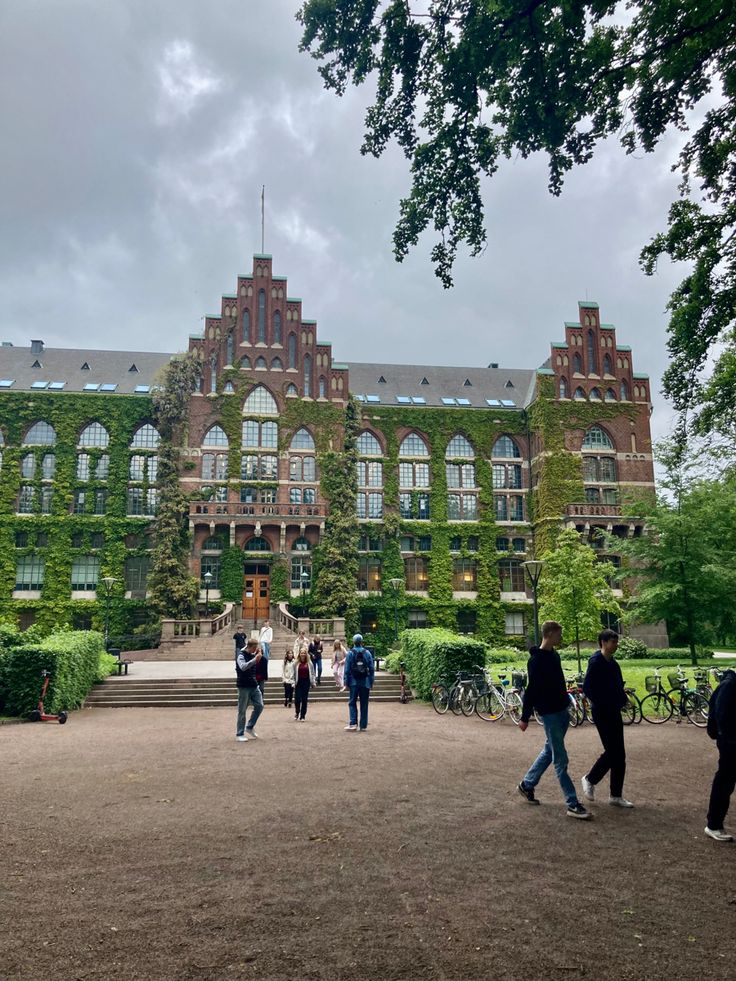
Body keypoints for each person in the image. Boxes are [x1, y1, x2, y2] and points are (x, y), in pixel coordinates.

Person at [517, 620, 591, 820]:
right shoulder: (536, 661)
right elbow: (531, 690)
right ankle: (572, 803)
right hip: (549, 713)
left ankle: (527, 784)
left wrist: (567, 703)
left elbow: (557, 682)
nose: (561, 638)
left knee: (550, 750)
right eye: (559, 634)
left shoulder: (554, 656)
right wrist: (525, 717)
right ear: (549, 634)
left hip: (561, 711)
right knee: (560, 758)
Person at [580, 629, 634, 808]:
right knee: (612, 751)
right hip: (602, 712)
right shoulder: (596, 663)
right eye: (613, 641)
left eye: (616, 641)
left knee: (620, 754)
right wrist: (603, 702)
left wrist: (623, 701)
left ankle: (616, 795)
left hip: (613, 711)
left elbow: (617, 686)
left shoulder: (613, 664)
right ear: (603, 642)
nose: (616, 645)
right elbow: (588, 688)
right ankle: (590, 779)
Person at [704, 668, 736, 842]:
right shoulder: (730, 685)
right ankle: (714, 824)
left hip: (730, 740)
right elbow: (720, 714)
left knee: (725, 781)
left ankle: (714, 823)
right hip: (730, 743)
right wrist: (729, 738)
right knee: (725, 782)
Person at [343, 634, 374, 732]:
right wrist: (371, 682)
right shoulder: (367, 653)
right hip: (365, 682)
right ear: (362, 642)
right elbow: (372, 669)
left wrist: (346, 682)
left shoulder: (350, 653)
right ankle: (363, 725)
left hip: (353, 682)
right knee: (364, 704)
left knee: (352, 702)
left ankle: (353, 724)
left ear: (353, 642)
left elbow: (347, 669)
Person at [235, 639, 263, 742]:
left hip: (253, 684)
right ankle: (239, 733)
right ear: (250, 647)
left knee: (260, 706)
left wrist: (258, 656)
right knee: (242, 710)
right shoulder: (241, 655)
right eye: (254, 649)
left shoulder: (253, 654)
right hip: (243, 686)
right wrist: (255, 659)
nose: (255, 651)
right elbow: (243, 667)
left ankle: (250, 727)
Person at [294, 645, 316, 721]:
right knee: (297, 699)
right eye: (301, 653)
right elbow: (292, 673)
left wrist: (313, 682)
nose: (302, 654)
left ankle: (303, 715)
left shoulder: (309, 663)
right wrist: (292, 682)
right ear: (299, 654)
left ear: (306, 654)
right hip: (298, 682)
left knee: (304, 699)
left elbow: (313, 673)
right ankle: (297, 712)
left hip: (306, 682)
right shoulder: (296, 663)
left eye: (304, 653)